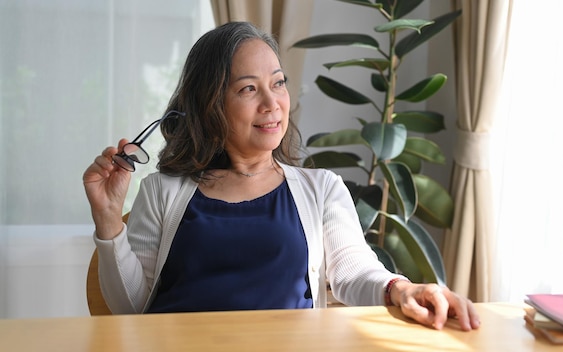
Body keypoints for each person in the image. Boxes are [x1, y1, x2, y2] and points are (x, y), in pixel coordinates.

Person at [83, 21, 480, 331]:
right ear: (210, 106)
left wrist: (402, 288)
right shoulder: (161, 191)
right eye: (248, 90)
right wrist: (108, 219)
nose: (272, 104)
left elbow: (355, 270)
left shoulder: (321, 188)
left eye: (278, 83)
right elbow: (130, 308)